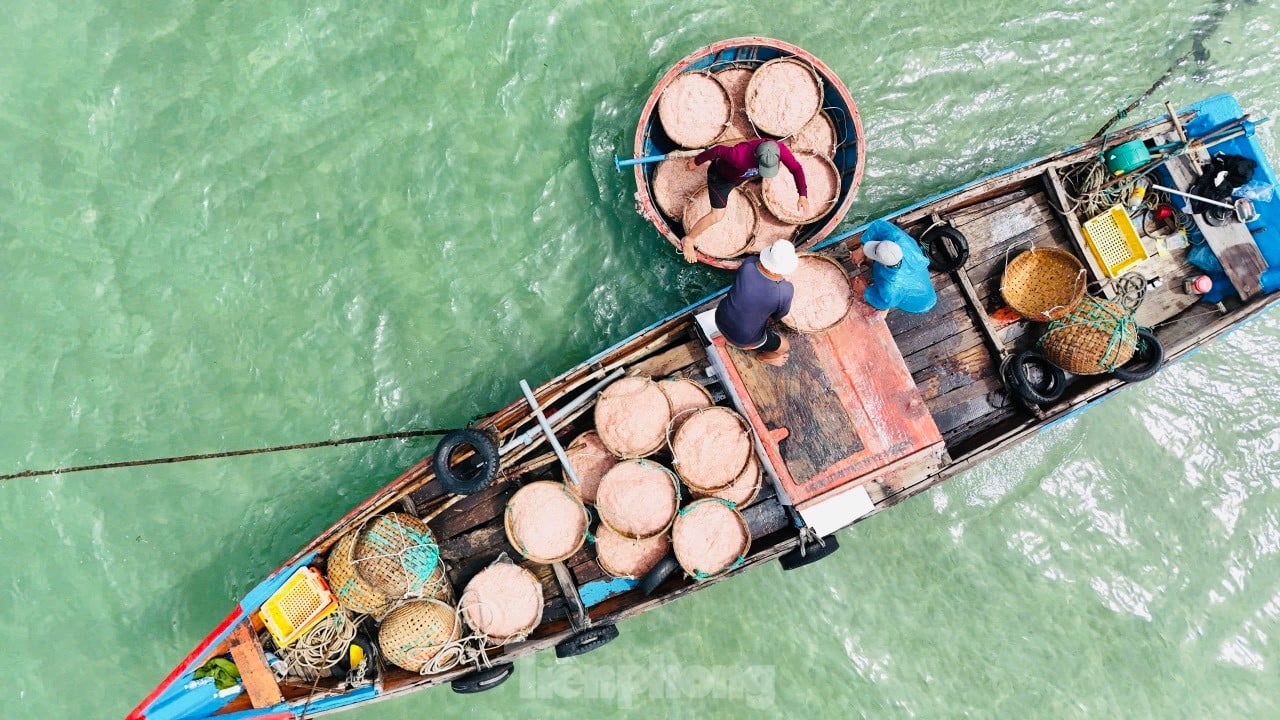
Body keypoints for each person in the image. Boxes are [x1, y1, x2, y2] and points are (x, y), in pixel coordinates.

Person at [683, 139, 809, 263]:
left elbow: (796, 169)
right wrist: (696, 161)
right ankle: (689, 239)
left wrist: (802, 195)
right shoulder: (739, 155)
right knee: (717, 215)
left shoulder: (779, 149)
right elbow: (718, 150)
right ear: (756, 155)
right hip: (721, 178)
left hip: (739, 177)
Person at [714, 240, 798, 367]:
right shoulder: (785, 290)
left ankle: (730, 339)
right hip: (742, 338)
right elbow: (778, 316)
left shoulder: (749, 263)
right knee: (785, 346)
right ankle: (763, 357)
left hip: (720, 316)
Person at [856, 220, 938, 315]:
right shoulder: (898, 239)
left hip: (917, 303)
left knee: (888, 301)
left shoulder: (890, 290)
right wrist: (861, 248)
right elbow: (879, 226)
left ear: (884, 265)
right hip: (919, 280)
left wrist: (864, 290)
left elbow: (882, 302)